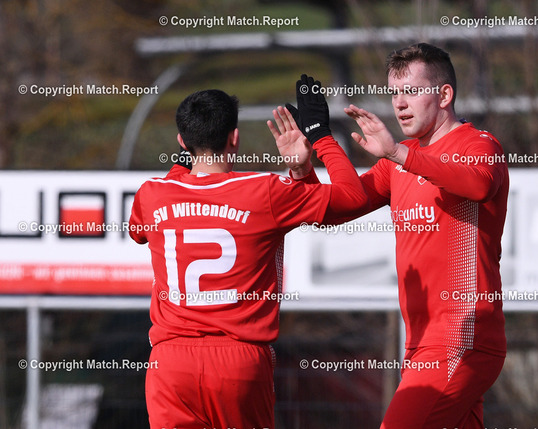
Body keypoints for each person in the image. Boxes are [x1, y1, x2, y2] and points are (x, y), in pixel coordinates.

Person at [288, 43, 509, 428]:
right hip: (421, 341)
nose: (400, 103)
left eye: (412, 91)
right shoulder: (399, 160)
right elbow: (336, 208)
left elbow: (478, 185)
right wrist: (315, 150)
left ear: (444, 95)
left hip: (461, 336)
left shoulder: (477, 144)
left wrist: (397, 154)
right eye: (394, 93)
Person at [128, 86, 366, 429]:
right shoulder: (264, 191)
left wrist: (186, 161)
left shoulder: (152, 194)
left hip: (170, 362)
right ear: (235, 138)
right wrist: (320, 139)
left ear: (181, 141)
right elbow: (353, 198)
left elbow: (141, 228)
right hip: (238, 361)